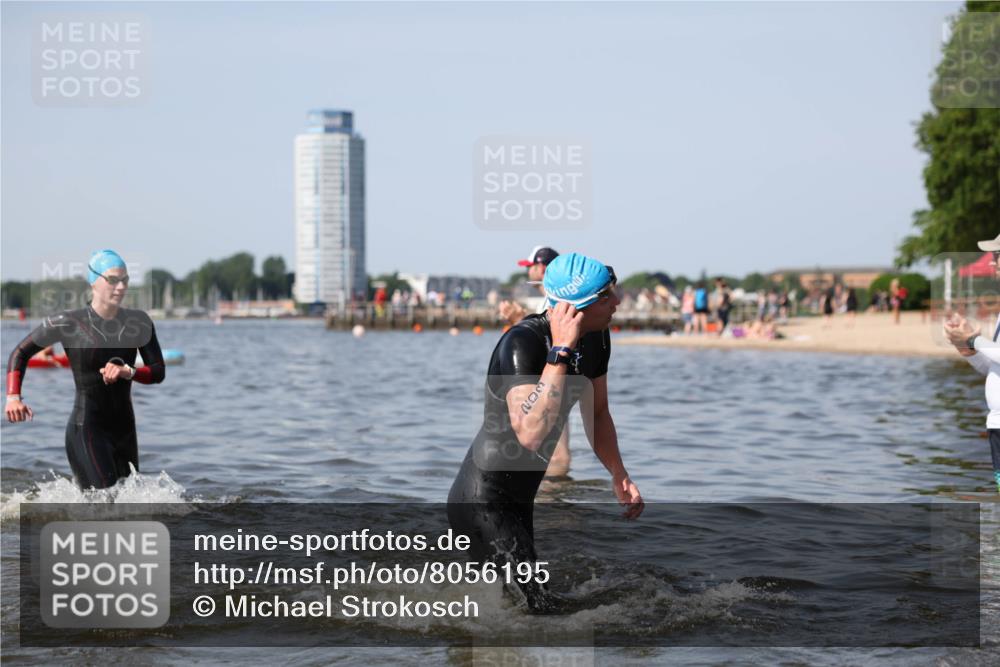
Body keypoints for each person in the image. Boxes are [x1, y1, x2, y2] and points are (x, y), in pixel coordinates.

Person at [448, 252, 643, 612]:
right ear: (576, 306)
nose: (617, 302)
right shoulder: (523, 342)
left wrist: (618, 472)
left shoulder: (598, 339)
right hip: (483, 500)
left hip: (521, 499)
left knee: (524, 609)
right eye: (606, 295)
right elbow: (531, 434)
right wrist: (561, 351)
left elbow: (598, 414)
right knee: (533, 612)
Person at [5, 250, 166, 489]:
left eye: (125, 280)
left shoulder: (139, 322)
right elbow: (20, 353)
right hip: (87, 428)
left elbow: (158, 371)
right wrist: (13, 398)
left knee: (131, 505)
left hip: (125, 431)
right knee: (106, 503)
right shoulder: (68, 322)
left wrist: (128, 372)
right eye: (112, 280)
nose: (121, 287)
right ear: (93, 282)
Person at [498, 246, 571, 478]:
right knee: (546, 449)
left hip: (555, 379)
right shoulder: (550, 298)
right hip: (551, 378)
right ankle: (552, 497)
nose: (528, 271)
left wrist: (518, 321)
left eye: (530, 267)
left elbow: (549, 340)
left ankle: (553, 505)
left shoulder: (554, 298)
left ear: (541, 268)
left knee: (557, 454)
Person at [943, 233, 1000, 494]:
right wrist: (966, 347)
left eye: (998, 256)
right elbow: (994, 368)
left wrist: (974, 339)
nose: (992, 263)